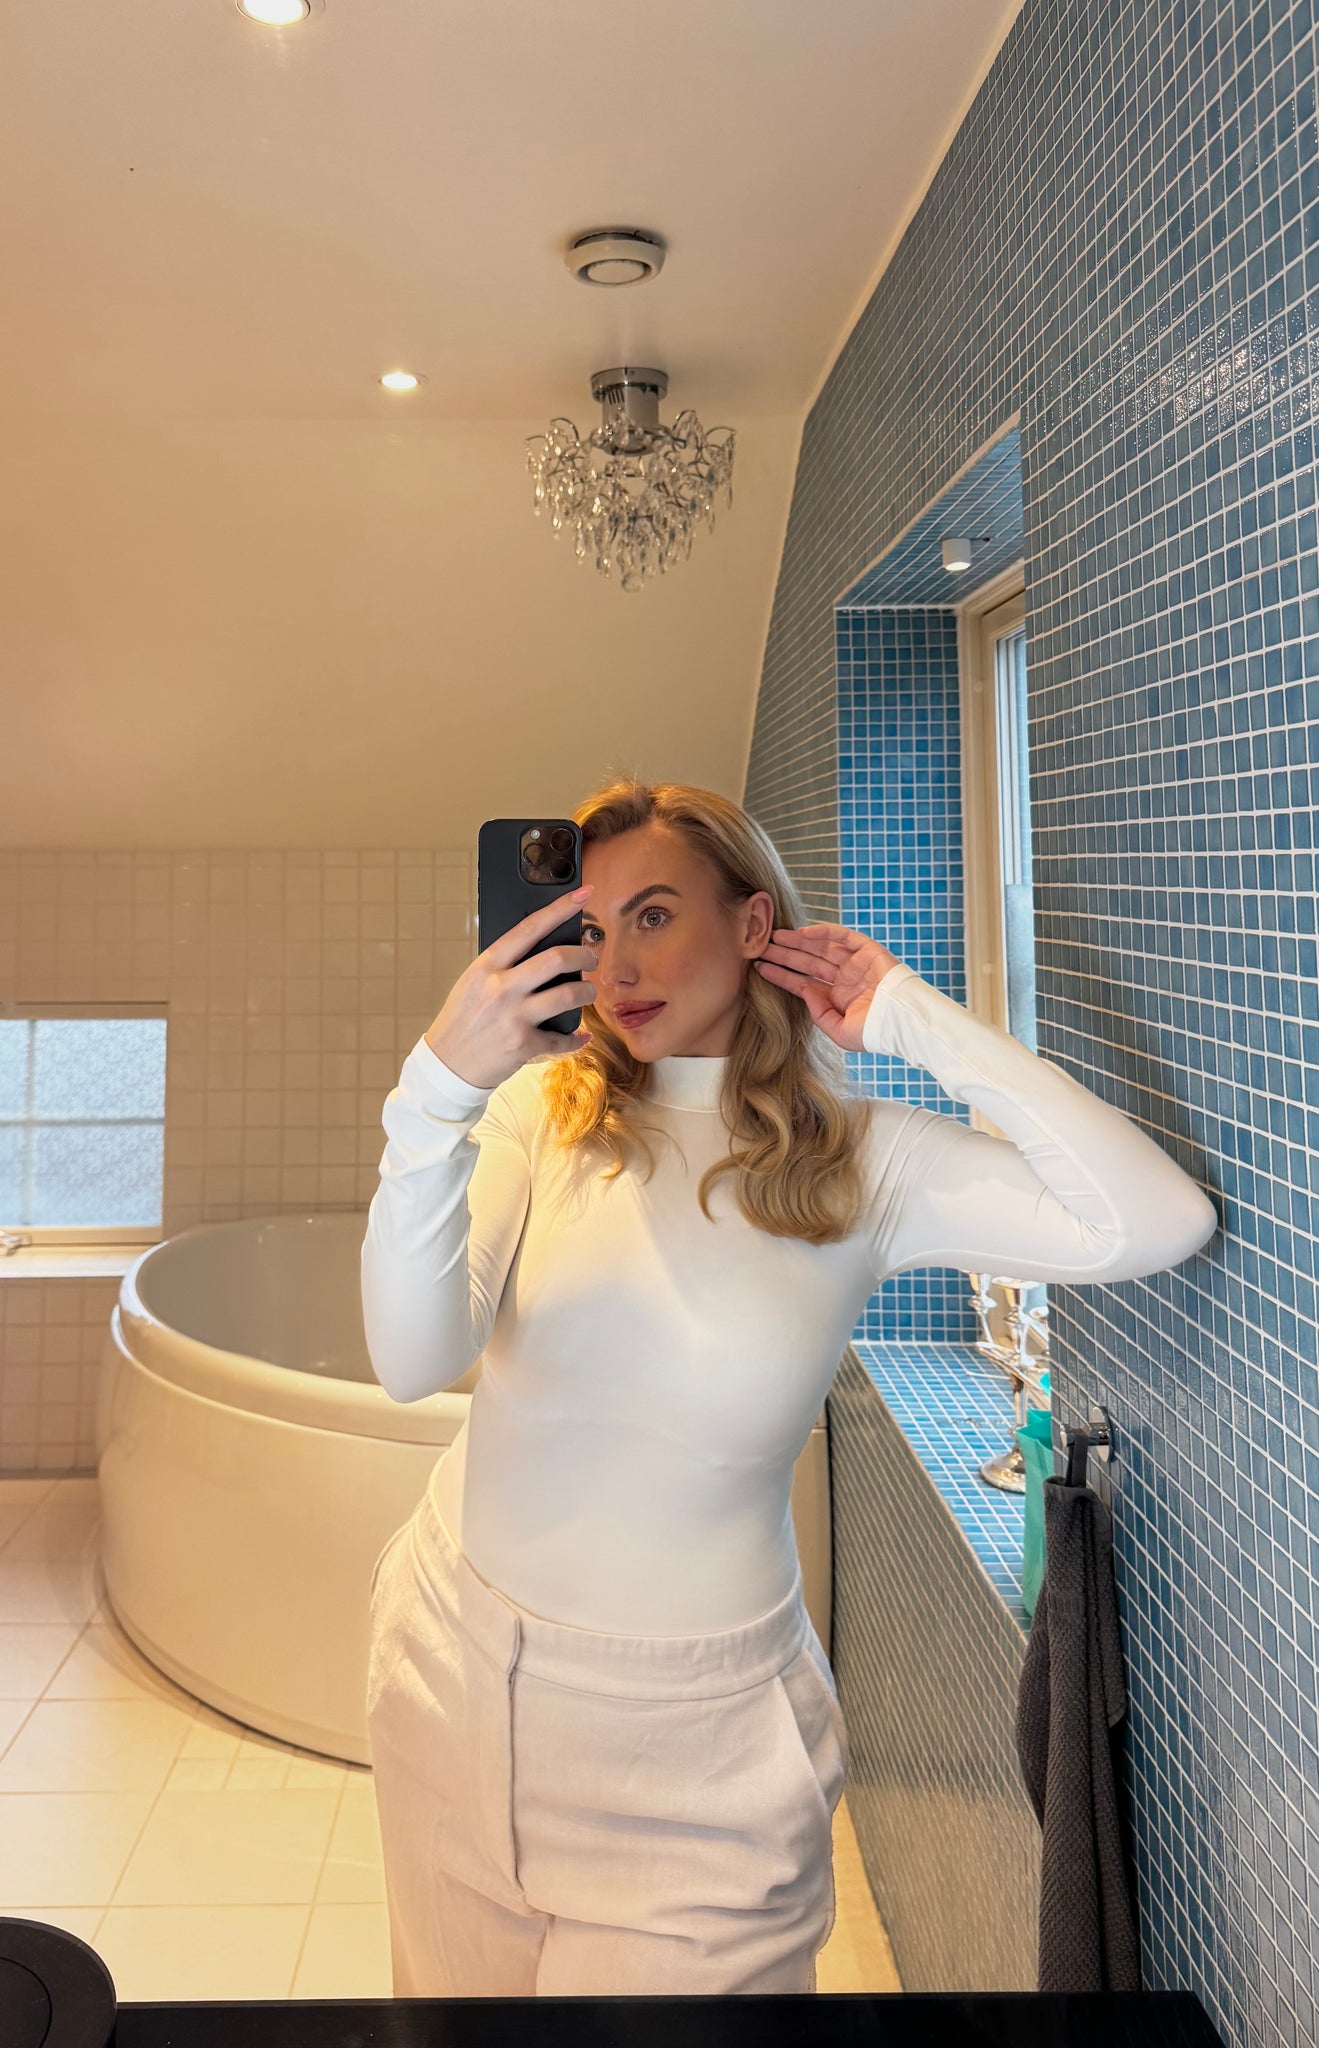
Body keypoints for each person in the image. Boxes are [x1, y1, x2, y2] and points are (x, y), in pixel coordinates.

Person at [360, 777, 1217, 2000]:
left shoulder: (860, 1157)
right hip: (451, 1672)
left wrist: (912, 1017)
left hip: (695, 1759)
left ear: (752, 921)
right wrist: (437, 1089)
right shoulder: (539, 1113)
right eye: (592, 928)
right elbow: (409, 1360)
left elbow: (1153, 1219)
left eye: (655, 914)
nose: (616, 965)